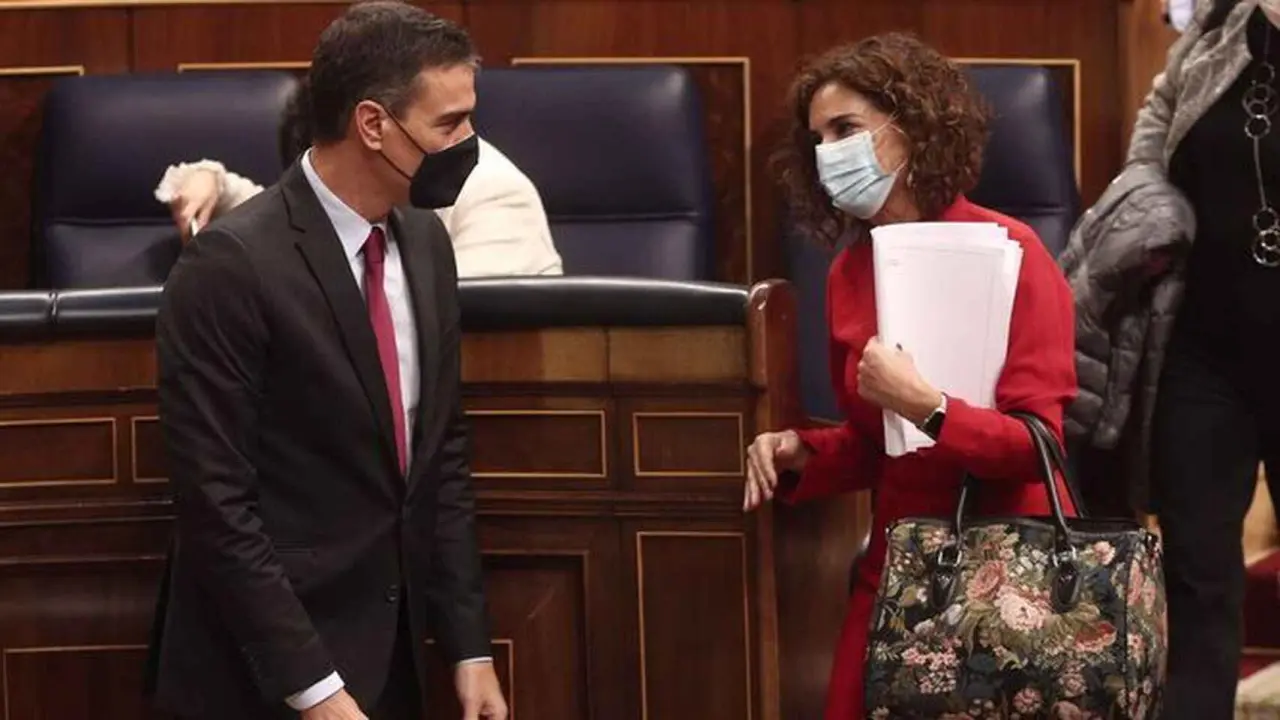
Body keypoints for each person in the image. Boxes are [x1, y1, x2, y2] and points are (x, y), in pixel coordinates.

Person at [146, 3, 509, 718]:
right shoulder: (231, 265)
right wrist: (314, 689)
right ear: (373, 124)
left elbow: (440, 455)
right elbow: (216, 505)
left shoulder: (426, 243)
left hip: (392, 662)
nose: (468, 144)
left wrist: (468, 646)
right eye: (449, 124)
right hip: (259, 680)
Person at [745, 33, 1078, 719]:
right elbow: (881, 443)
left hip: (1011, 564)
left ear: (913, 127)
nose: (828, 152)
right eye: (817, 138)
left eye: (846, 129)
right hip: (903, 559)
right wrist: (803, 451)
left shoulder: (1014, 252)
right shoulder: (849, 272)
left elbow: (1036, 446)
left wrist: (931, 407)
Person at [1062, 1, 1280, 716]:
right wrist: (1154, 208)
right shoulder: (1221, 28)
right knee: (1196, 574)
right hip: (1204, 350)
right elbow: (1154, 132)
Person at [154, 79, 563, 278]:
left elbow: (451, 329)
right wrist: (211, 178)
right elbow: (289, 217)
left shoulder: (494, 194)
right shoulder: (362, 185)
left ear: (374, 135)